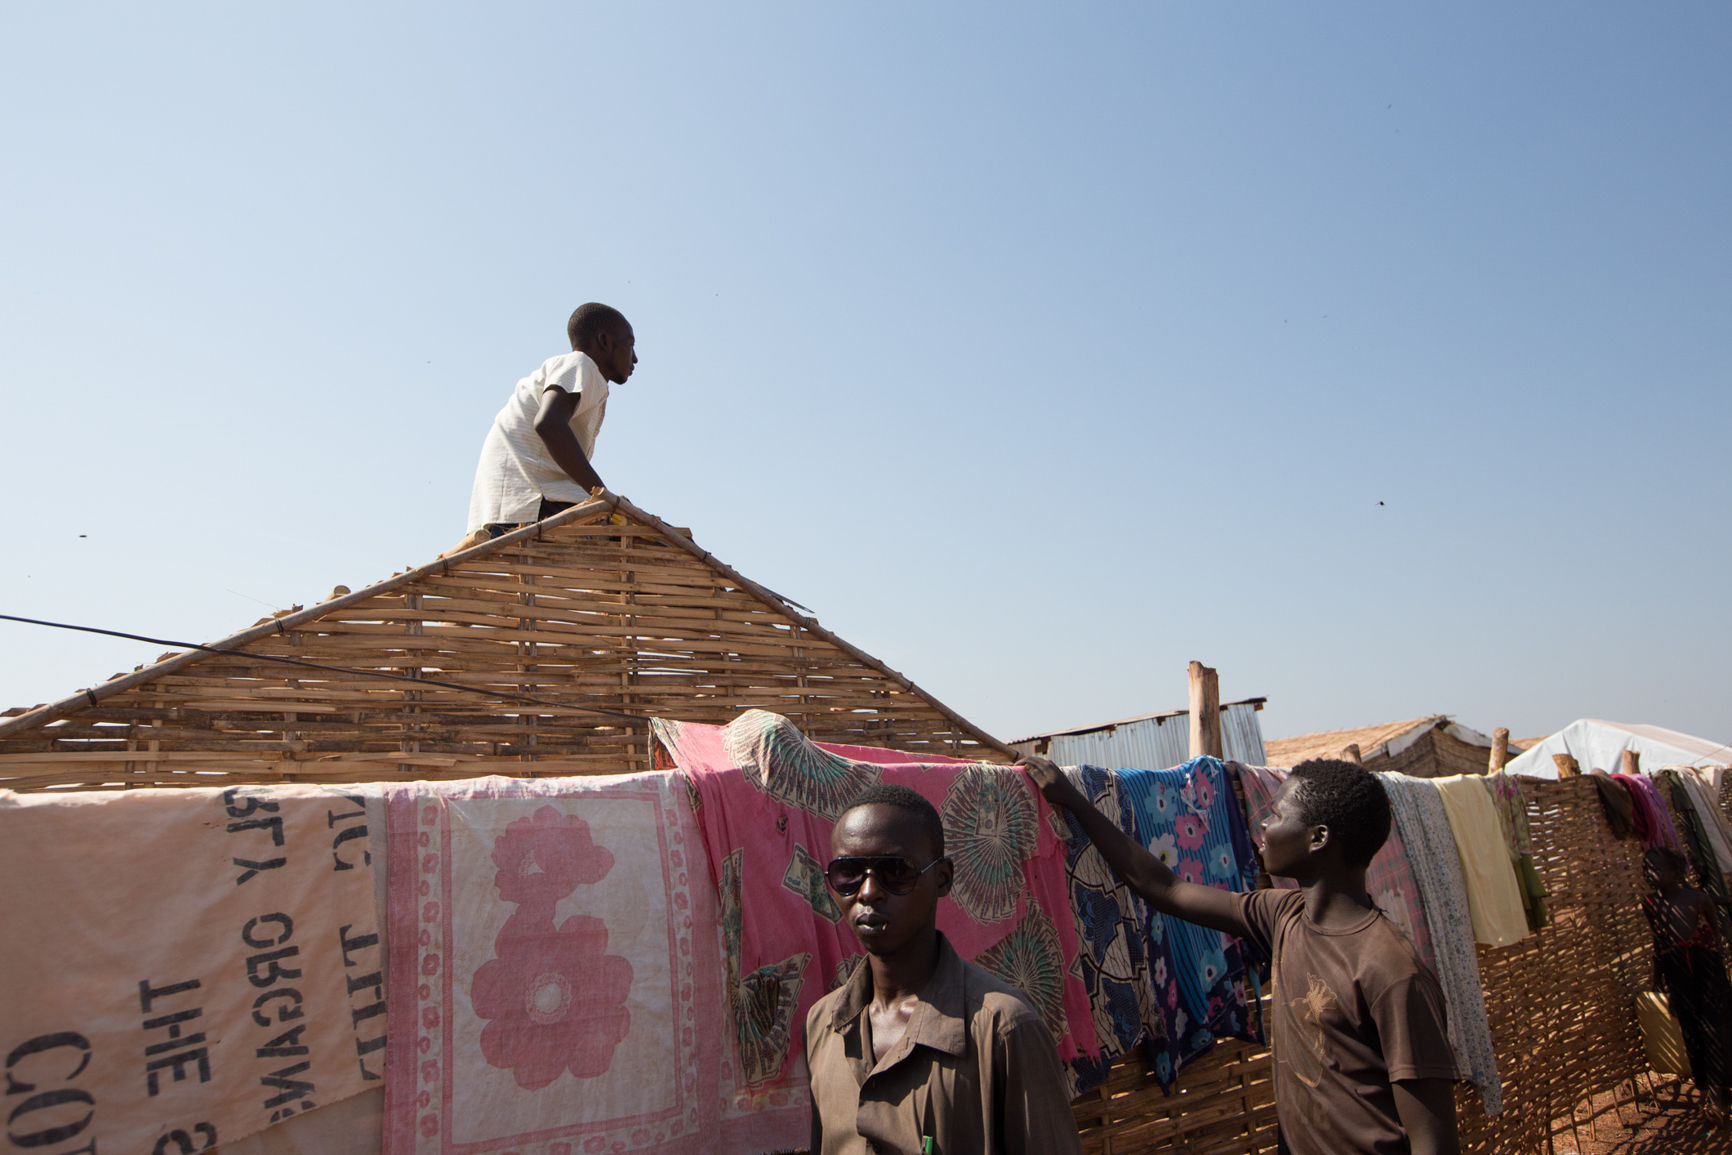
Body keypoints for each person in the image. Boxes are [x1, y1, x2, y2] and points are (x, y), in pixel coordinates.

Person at [1022, 754, 1461, 1155]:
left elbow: (1433, 1141)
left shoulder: (1392, 971)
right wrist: (1075, 800)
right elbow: (1167, 889)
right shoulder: (1284, 915)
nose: (1263, 826)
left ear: (1318, 838)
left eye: (1276, 815)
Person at [804, 783, 1083, 1155]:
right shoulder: (823, 1024)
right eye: (848, 872)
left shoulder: (1003, 1029)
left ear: (943, 878)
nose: (868, 891)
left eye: (896, 871)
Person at [464, 302, 638, 540]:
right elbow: (549, 423)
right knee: (660, 543)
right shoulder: (580, 363)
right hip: (535, 502)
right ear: (605, 342)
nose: (635, 358)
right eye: (630, 345)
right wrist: (606, 498)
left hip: (508, 506)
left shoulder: (582, 375)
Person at [1640, 845, 1732, 1120]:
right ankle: (1706, 1091)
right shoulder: (1650, 904)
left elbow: (1714, 939)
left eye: (1656, 868)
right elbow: (1659, 943)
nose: (1649, 874)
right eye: (1646, 868)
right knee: (1692, 1034)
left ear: (1677, 872)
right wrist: (1658, 984)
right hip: (1678, 975)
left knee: (1715, 1032)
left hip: (1709, 974)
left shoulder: (1699, 900)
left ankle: (1717, 1097)